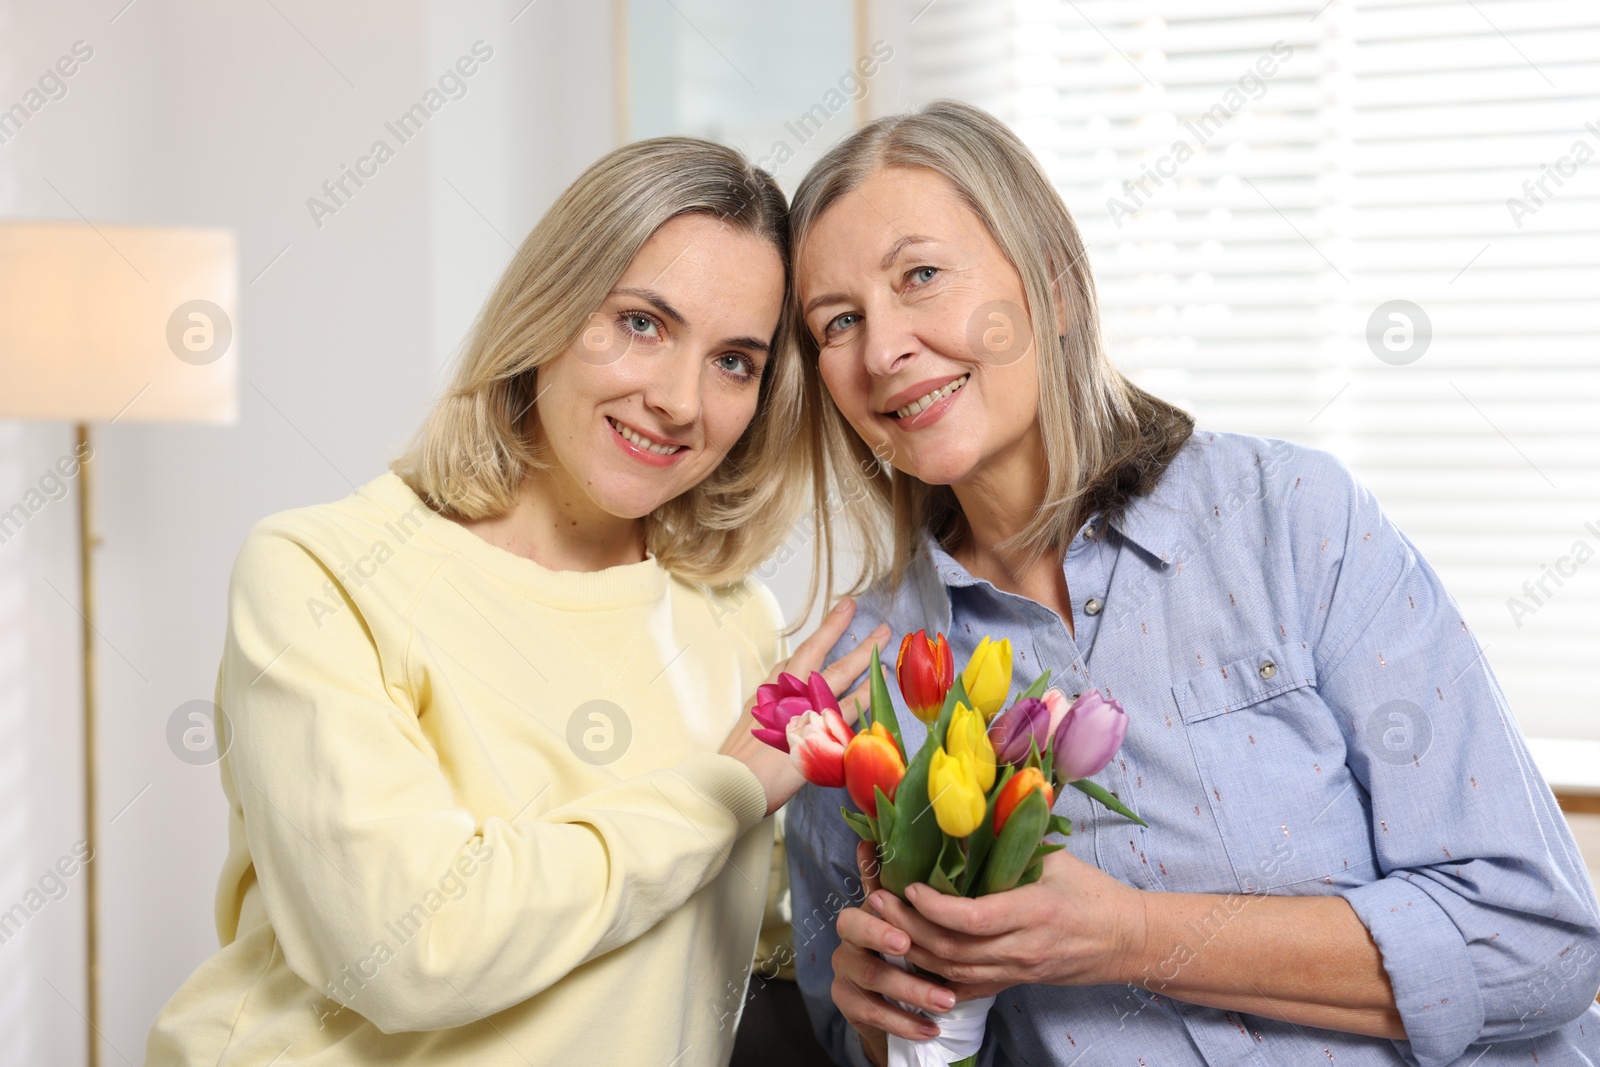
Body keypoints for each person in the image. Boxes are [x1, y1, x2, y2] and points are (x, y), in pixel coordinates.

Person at [783, 100, 1600, 1067]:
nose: (883, 351)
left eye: (919, 274)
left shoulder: (1291, 517)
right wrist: (888, 1019)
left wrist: (1131, 933)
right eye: (839, 322)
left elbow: (1539, 940)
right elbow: (865, 1042)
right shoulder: (861, 686)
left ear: (1053, 283)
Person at [146, 136, 889, 1065]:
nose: (678, 400)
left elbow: (720, 938)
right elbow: (415, 948)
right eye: (642, 323)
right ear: (550, 307)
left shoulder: (731, 620)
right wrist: (724, 792)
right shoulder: (319, 573)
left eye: (734, 361)